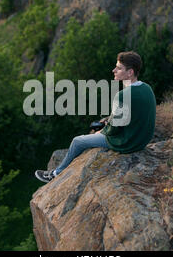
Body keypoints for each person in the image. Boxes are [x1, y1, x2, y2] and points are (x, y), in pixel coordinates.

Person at [35, 51, 156, 183]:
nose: (114, 70)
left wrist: (103, 131)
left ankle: (55, 174)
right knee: (103, 123)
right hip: (142, 140)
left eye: (119, 68)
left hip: (128, 142)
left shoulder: (122, 95)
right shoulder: (146, 88)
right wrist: (109, 120)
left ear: (130, 72)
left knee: (78, 141)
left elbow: (114, 129)